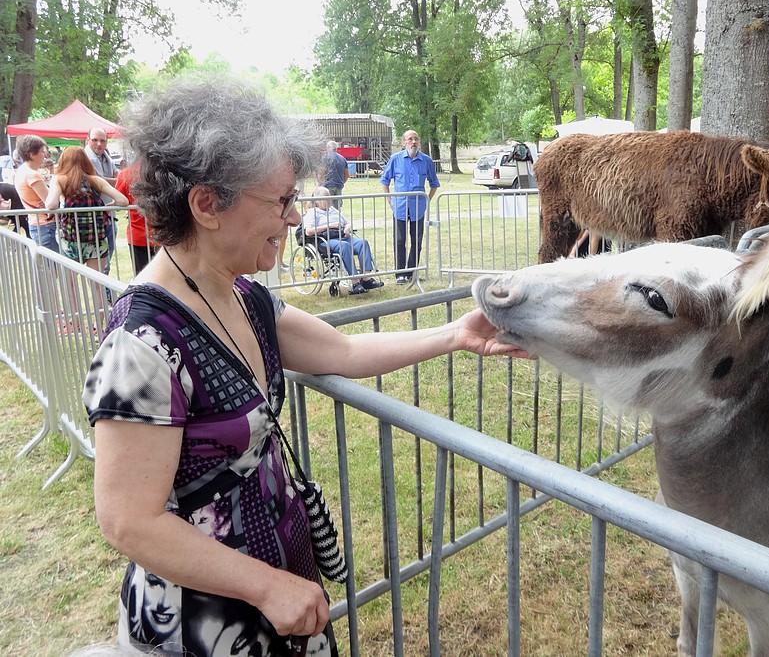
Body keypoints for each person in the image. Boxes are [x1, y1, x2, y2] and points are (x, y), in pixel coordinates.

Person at [83, 76, 527, 657]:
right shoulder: (140, 343)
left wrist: (455, 335)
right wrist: (266, 586)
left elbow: (343, 353)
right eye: (281, 201)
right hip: (202, 625)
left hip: (277, 590)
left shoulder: (245, 296)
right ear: (206, 205)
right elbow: (127, 522)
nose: (295, 218)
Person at [44, 147, 128, 271]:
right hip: (96, 239)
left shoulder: (60, 179)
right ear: (85, 161)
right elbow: (123, 201)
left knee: (70, 283)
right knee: (97, 284)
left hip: (70, 239)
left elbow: (50, 205)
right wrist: (110, 205)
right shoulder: (96, 180)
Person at [380, 129, 440, 284]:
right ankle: (400, 273)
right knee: (400, 240)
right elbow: (384, 181)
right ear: (404, 142)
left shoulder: (426, 161)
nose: (414, 142)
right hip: (399, 205)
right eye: (410, 139)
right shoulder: (395, 159)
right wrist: (390, 201)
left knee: (417, 240)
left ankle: (411, 272)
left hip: (418, 207)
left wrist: (427, 200)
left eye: (416, 139)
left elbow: (434, 183)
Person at [302, 185, 383, 295]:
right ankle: (355, 282)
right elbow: (309, 231)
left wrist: (347, 227)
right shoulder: (312, 213)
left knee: (362, 243)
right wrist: (330, 225)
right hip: (326, 239)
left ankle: (366, 278)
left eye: (329, 196)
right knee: (344, 246)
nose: (329, 199)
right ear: (317, 200)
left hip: (342, 235)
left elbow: (346, 222)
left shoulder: (333, 210)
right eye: (325, 197)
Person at [14, 135, 58, 251]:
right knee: (55, 267)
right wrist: (56, 183)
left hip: (37, 223)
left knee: (47, 265)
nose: (45, 155)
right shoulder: (32, 175)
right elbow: (51, 202)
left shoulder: (21, 171)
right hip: (46, 225)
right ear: (32, 154)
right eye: (42, 152)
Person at [86, 127, 119, 273]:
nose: (99, 144)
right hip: (93, 218)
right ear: (88, 140)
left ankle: (105, 293)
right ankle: (103, 293)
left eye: (102, 140)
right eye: (95, 140)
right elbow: (96, 181)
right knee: (99, 264)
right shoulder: (84, 158)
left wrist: (114, 180)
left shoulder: (108, 158)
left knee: (107, 258)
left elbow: (106, 180)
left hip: (110, 215)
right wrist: (117, 180)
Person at [115, 163, 158, 275]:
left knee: (141, 276)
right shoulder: (162, 170)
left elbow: (118, 198)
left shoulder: (125, 174)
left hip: (138, 235)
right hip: (161, 235)